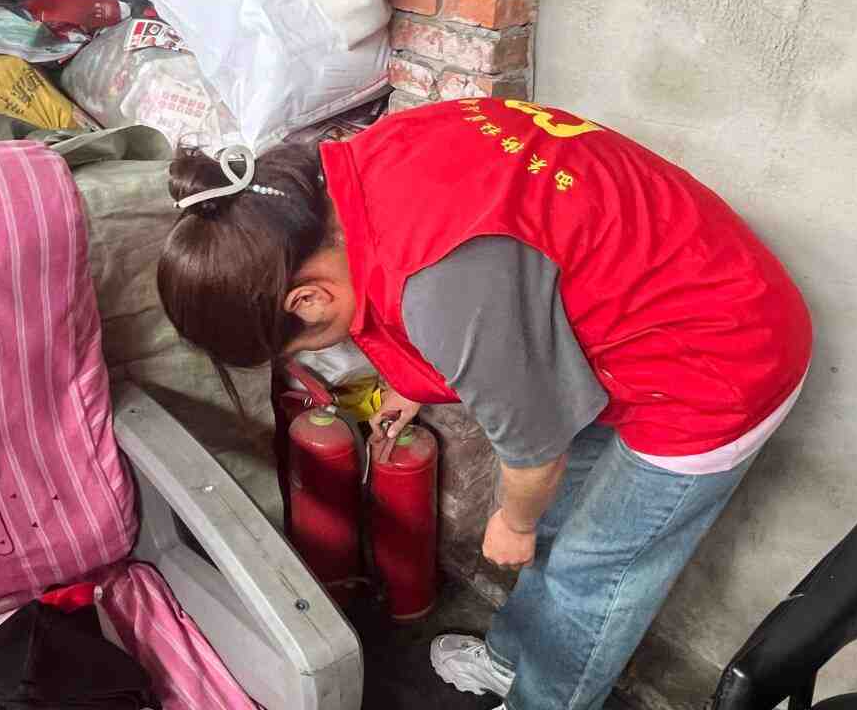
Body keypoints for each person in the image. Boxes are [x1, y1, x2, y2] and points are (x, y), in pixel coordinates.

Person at [156, 98, 812, 710]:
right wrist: (413, 383)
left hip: (719, 358)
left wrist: (514, 522)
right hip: (650, 303)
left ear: (308, 298)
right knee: (557, 526)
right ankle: (512, 660)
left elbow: (534, 451)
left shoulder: (443, 281)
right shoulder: (361, 165)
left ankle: (545, 700)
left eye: (311, 340)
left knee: (591, 571)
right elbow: (488, 291)